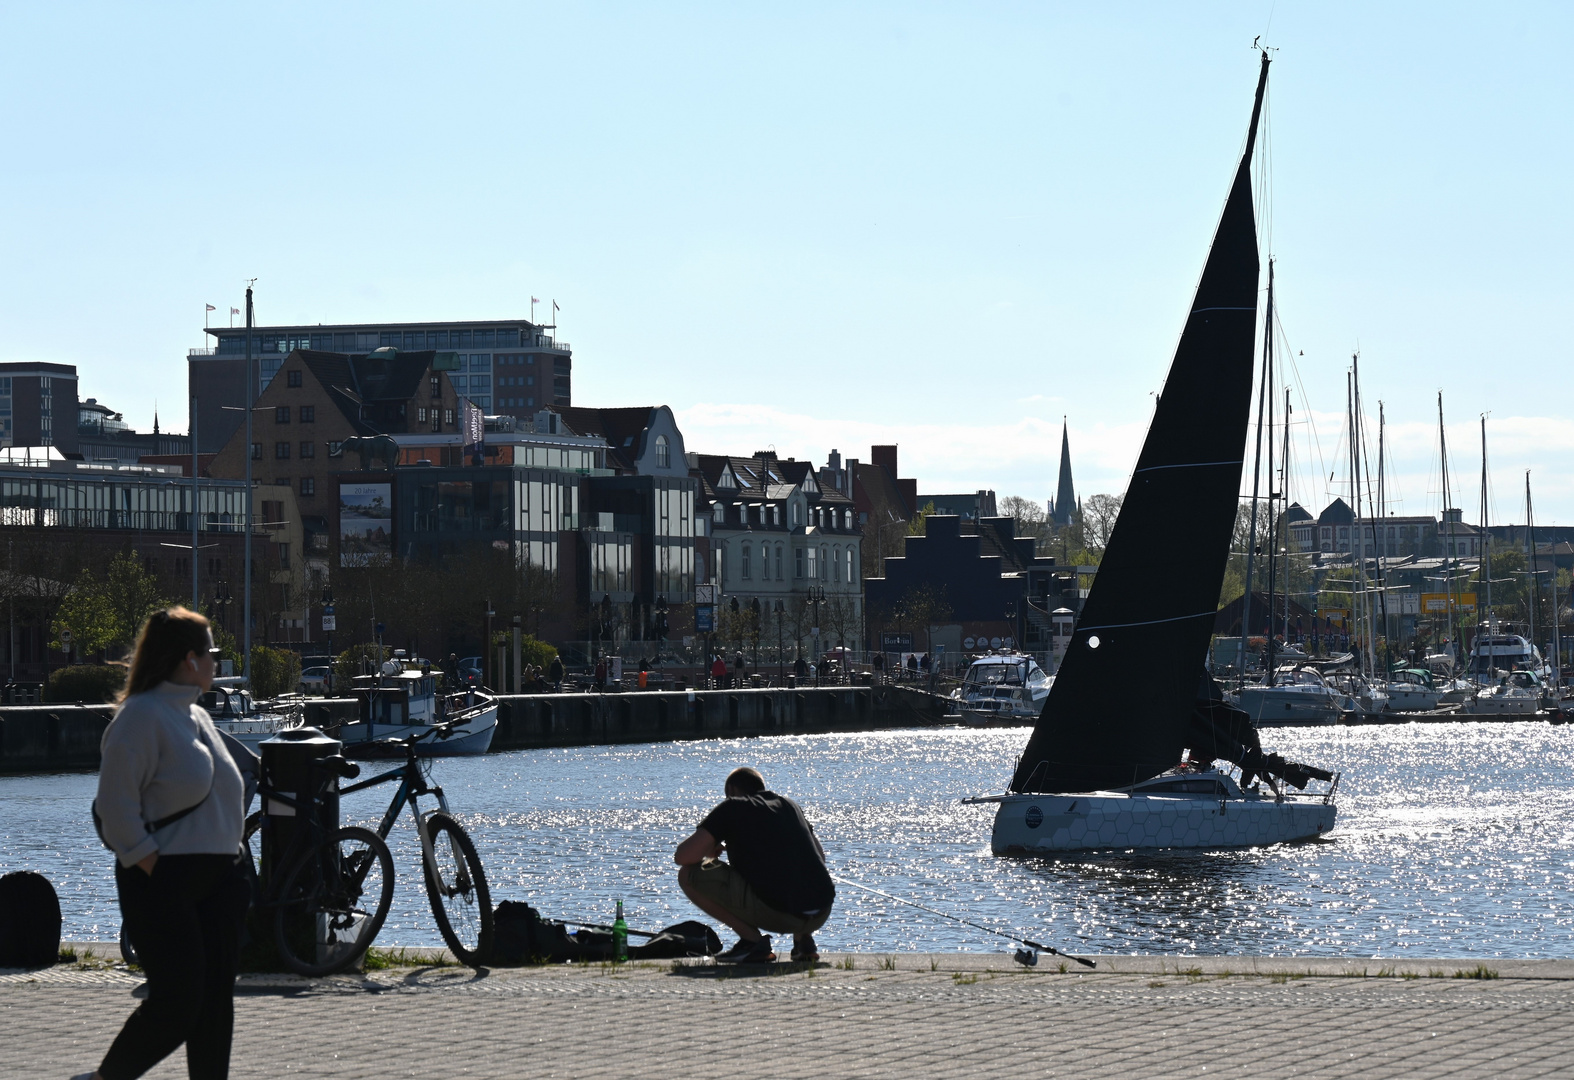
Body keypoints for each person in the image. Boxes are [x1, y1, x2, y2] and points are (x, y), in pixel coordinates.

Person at [77, 607, 249, 1080]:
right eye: (212, 653)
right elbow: (115, 806)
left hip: (219, 882)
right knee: (179, 1001)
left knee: (214, 1006)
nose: (218, 662)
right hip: (165, 884)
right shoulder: (141, 717)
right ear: (188, 659)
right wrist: (153, 866)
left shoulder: (195, 715)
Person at [674, 767, 834, 964]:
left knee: (687, 874)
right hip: (821, 911)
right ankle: (803, 942)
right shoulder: (790, 805)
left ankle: (752, 942)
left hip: (779, 914)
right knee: (800, 873)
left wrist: (709, 850)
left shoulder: (732, 806)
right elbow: (819, 857)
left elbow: (683, 856)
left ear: (731, 790)